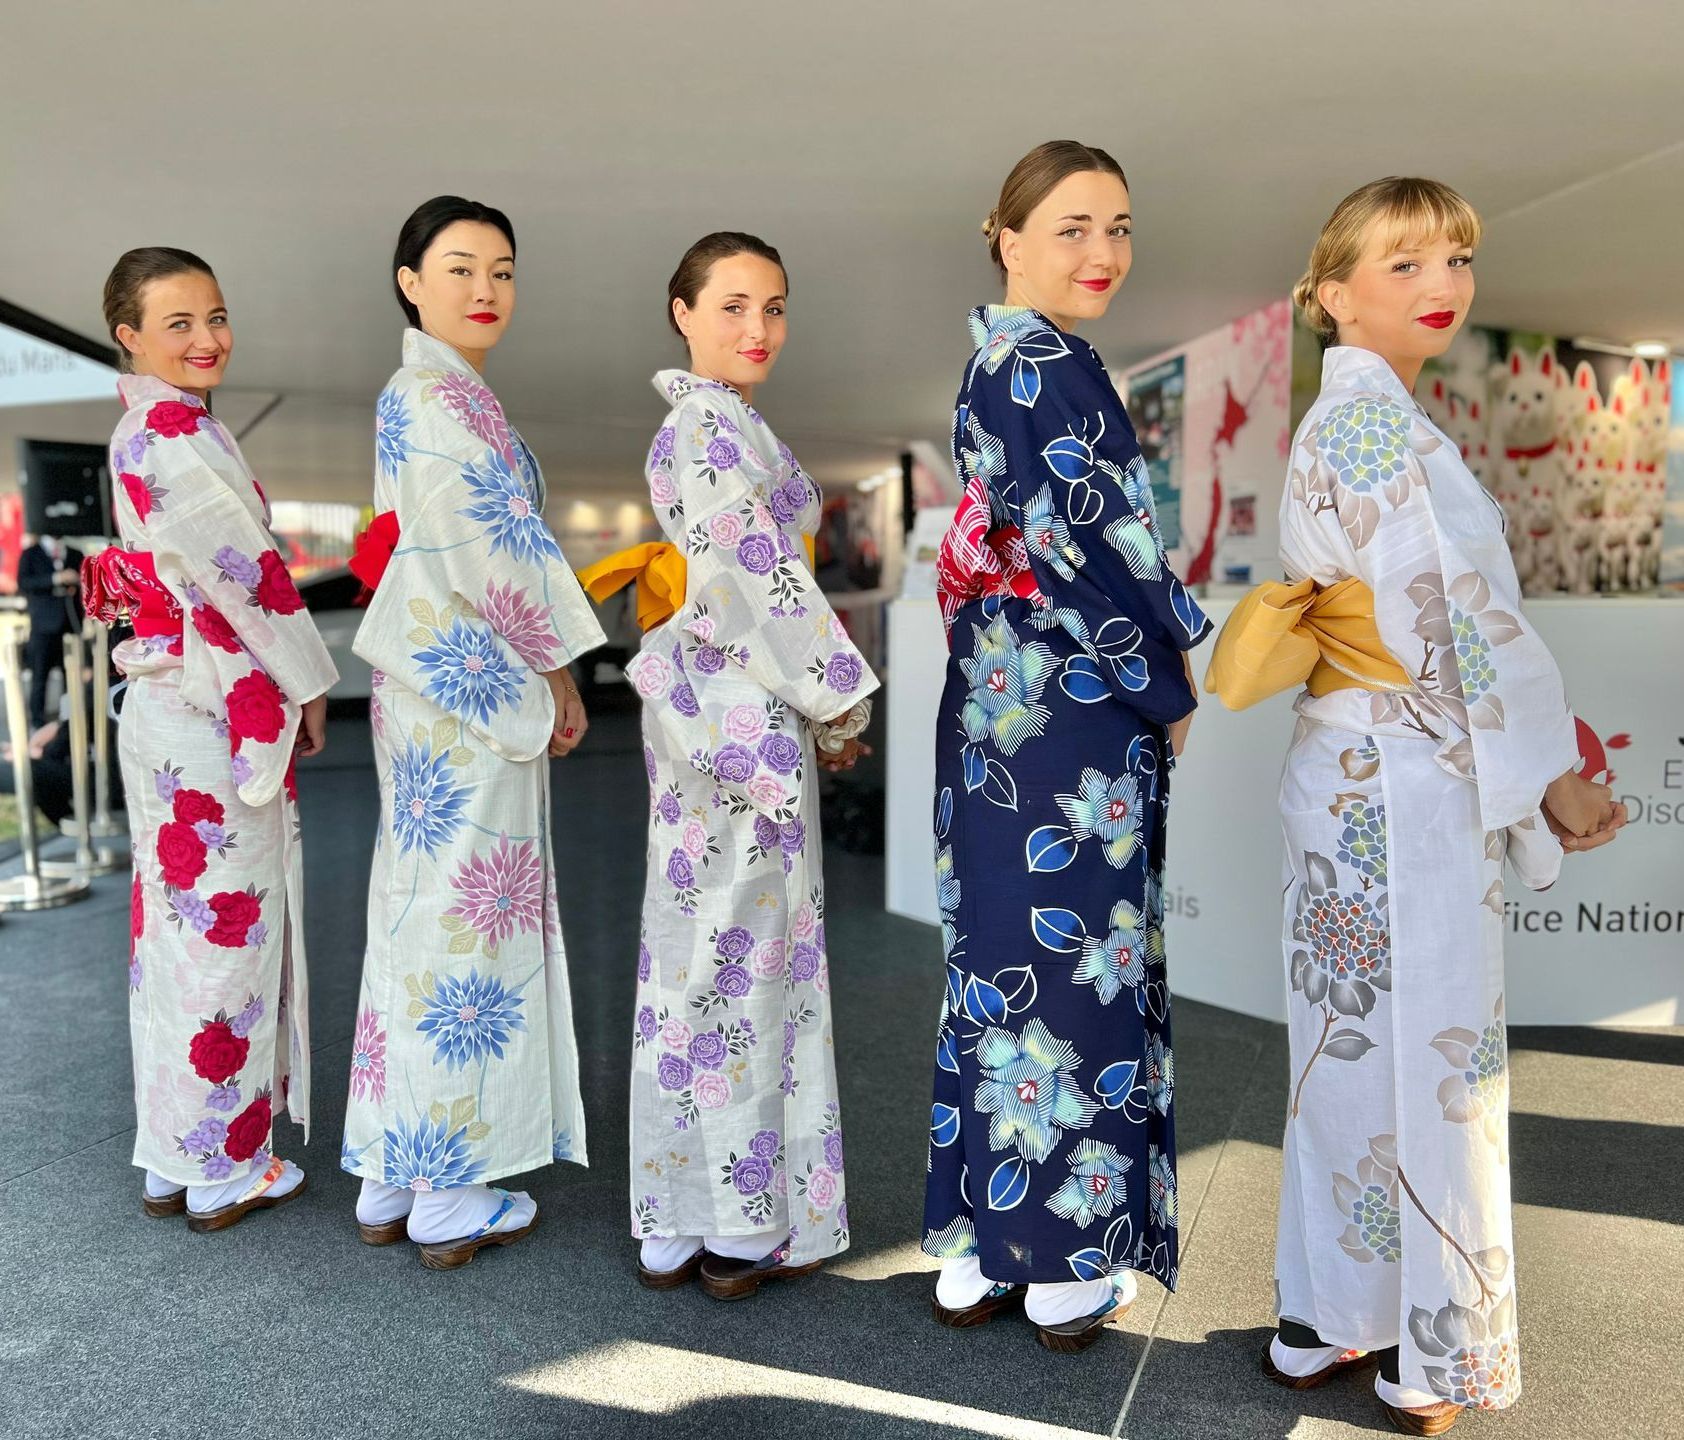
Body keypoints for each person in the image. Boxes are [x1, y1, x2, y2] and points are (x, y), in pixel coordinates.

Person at [1206, 177, 1625, 1435]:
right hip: (1405, 776)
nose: (1441, 284)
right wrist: (1546, 776)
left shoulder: (1355, 423)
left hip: (1348, 769)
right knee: (1436, 1059)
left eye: (1454, 258)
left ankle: (1326, 1316)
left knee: (1347, 1049)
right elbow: (1453, 633)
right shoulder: (1378, 430)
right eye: (1403, 264)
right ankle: (1430, 1351)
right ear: (1330, 293)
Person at [920, 142, 1212, 1352]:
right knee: (1083, 964)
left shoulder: (1000, 359)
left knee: (1000, 962)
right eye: (1072, 226)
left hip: (1003, 698)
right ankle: (1067, 1260)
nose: (1102, 252)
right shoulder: (1046, 362)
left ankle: (988, 1241)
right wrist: (1165, 675)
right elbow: (1093, 547)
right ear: (1007, 233)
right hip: (1073, 707)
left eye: (1119, 228)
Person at [582, 232, 876, 1299]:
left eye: (775, 308)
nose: (757, 329)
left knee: (694, 957)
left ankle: (675, 1211)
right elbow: (756, 576)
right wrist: (836, 690)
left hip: (714, 711)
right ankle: (741, 1215)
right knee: (746, 961)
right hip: (741, 712)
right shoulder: (705, 431)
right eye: (733, 305)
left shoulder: (718, 427)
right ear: (682, 311)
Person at [339, 197, 605, 1269]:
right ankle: (448, 1189)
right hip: (468, 690)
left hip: (430, 686)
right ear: (409, 280)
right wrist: (556, 669)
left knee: (417, 916)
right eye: (459, 269)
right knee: (466, 933)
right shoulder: (438, 400)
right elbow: (495, 552)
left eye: (501, 270)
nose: (484, 290)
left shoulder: (430, 396)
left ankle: (390, 1171)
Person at [84, 247, 338, 1230]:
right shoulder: (175, 437)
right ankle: (223, 1167)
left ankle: (174, 1151)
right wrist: (310, 680)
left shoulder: (144, 431)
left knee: (176, 936)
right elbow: (251, 580)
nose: (206, 339)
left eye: (216, 317)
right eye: (179, 323)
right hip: (203, 710)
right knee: (229, 933)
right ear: (131, 337)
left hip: (163, 705)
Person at [17, 533, 82, 728]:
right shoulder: (31, 554)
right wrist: (55, 578)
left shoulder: (73, 553)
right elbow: (24, 583)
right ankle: (37, 720)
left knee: (71, 674)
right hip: (43, 624)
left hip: (69, 622)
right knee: (40, 674)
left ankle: (69, 717)